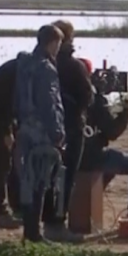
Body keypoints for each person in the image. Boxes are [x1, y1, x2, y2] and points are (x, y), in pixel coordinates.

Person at [14, 24, 81, 243]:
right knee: (40, 182)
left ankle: (29, 230)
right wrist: (58, 132)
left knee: (27, 179)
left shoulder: (24, 63)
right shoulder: (47, 69)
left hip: (25, 127)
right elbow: (50, 103)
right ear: (53, 43)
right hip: (42, 132)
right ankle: (33, 234)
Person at [77, 61, 128, 217]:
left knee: (111, 166)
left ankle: (89, 200)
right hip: (93, 157)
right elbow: (112, 132)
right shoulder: (95, 100)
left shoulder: (60, 92)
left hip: (70, 156)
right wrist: (125, 112)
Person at [46, 20, 94, 233]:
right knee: (68, 175)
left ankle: (45, 218)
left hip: (47, 125)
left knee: (47, 174)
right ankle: (57, 222)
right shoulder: (74, 66)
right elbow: (87, 97)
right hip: (72, 126)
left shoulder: (42, 62)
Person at [0, 57, 23, 229]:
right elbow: (3, 104)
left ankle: (14, 206)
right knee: (1, 166)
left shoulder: (14, 69)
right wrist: (6, 131)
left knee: (9, 166)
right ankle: (0, 211)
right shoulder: (15, 75)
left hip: (1, 119)